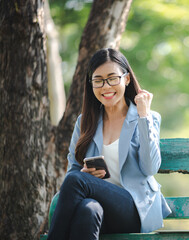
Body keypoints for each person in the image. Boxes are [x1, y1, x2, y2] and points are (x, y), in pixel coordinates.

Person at [48, 48, 171, 240]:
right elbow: (74, 169)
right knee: (88, 211)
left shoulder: (147, 118)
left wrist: (143, 116)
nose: (106, 87)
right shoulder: (85, 122)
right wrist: (84, 175)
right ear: (91, 84)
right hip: (100, 207)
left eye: (112, 78)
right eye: (98, 80)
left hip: (134, 207)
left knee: (75, 181)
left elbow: (149, 168)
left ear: (127, 79)